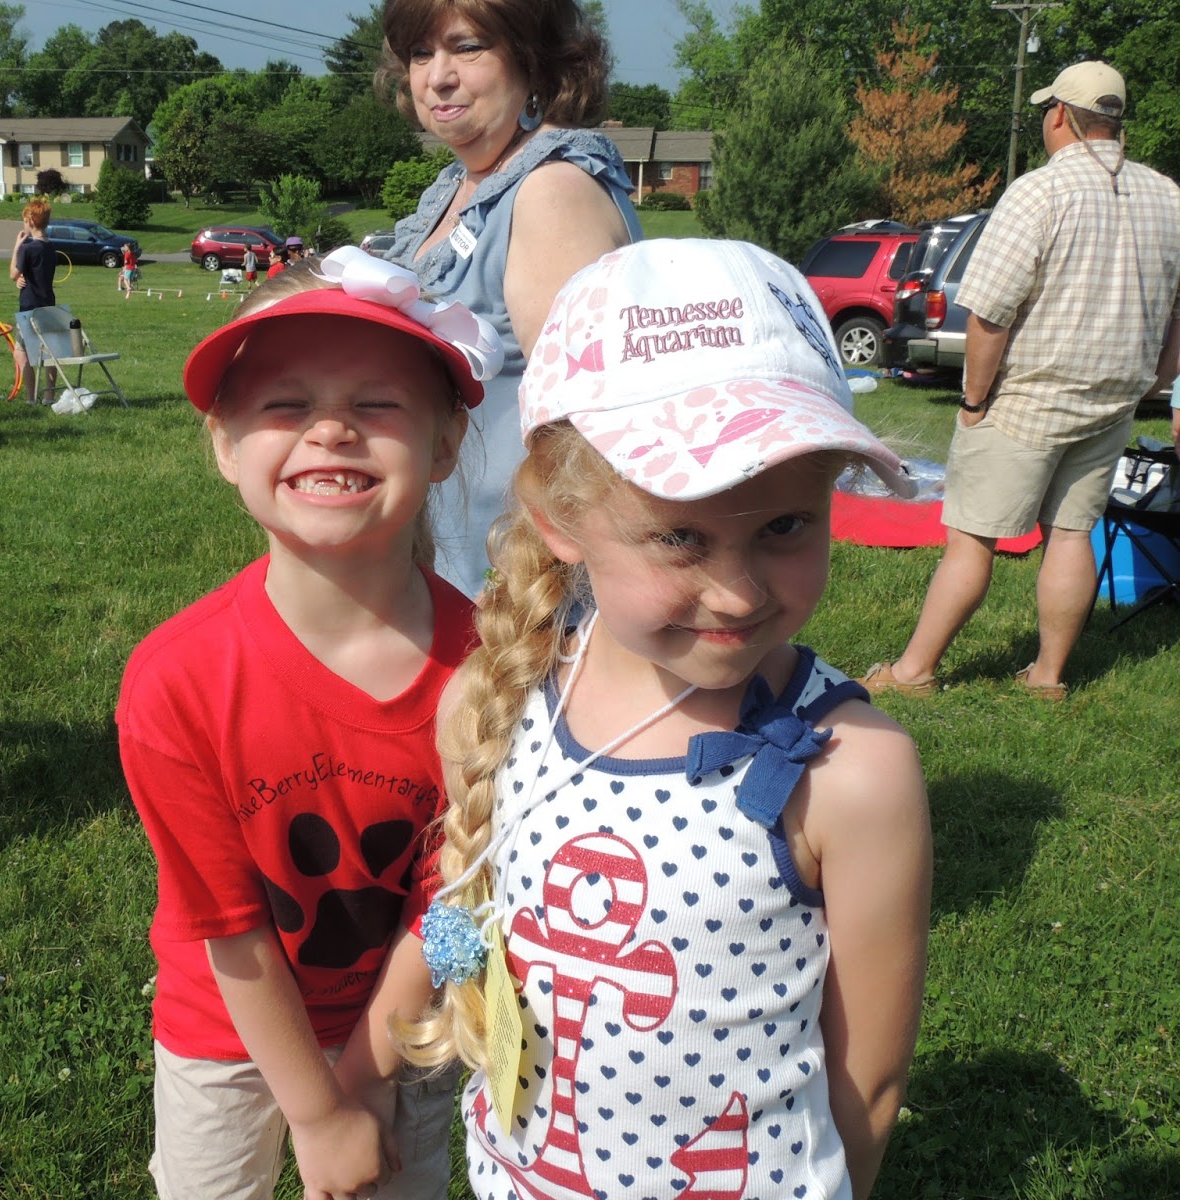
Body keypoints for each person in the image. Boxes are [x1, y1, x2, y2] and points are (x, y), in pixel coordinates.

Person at [399, 240, 932, 1200]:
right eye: (681, 536)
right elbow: (462, 926)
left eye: (785, 526)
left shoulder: (853, 771)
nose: (734, 594)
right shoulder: (495, 702)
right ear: (559, 515)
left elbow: (871, 1086)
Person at [116, 248, 502, 1200]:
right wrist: (317, 1111)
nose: (331, 431)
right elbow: (229, 928)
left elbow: (455, 900)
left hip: (406, 1024)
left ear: (447, 442)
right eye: (286, 406)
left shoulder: (496, 667)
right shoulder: (177, 681)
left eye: (378, 406)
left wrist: (367, 1081)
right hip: (230, 1031)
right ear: (224, 445)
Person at [862, 61, 1180, 701]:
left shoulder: (1038, 192)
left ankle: (914, 671)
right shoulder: (1168, 195)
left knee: (971, 538)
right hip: (1111, 402)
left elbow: (989, 315)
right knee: (1070, 534)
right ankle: (1047, 676)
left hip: (1026, 398)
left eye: (1045, 110)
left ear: (1060, 114)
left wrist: (975, 401)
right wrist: (1153, 382)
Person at [380, 0, 641, 596]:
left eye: (467, 47)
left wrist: (543, 590)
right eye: (421, 52)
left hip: (519, 575)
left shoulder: (552, 191)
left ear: (532, 58)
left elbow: (581, 431)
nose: (437, 76)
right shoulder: (465, 184)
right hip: (451, 551)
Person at [9, 197, 60, 402]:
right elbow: (34, 273)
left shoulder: (27, 248)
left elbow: (13, 273)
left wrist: (16, 247)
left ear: (30, 220)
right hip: (48, 304)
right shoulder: (51, 247)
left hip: (29, 306)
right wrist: (24, 278)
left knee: (22, 353)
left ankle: (31, 397)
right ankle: (49, 395)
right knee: (49, 353)